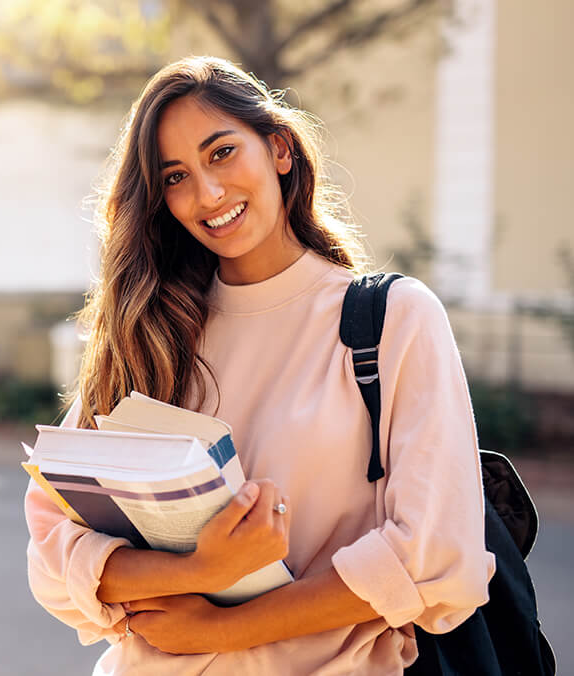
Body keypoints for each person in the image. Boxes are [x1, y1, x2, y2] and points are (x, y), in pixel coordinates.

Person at [25, 55, 495, 674]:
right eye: (175, 176)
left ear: (279, 149)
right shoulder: (150, 332)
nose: (207, 193)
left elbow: (433, 556)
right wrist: (198, 570)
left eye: (221, 153)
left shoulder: (391, 320)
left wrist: (222, 626)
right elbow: (54, 553)